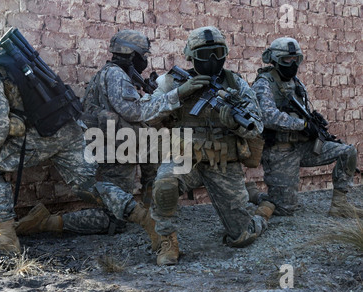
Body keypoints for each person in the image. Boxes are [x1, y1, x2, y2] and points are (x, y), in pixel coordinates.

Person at [0, 28, 162, 254]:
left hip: (42, 136)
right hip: (68, 128)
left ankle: (6, 237)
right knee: (89, 185)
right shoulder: (6, 65)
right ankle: (145, 219)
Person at [15, 29, 210, 250]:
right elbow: (134, 111)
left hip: (119, 146)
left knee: (158, 148)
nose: (144, 60)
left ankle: (152, 209)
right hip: (115, 151)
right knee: (115, 220)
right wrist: (176, 94)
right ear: (131, 55)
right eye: (142, 55)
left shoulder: (112, 74)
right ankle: (46, 222)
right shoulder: (116, 75)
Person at [149, 26, 269, 266]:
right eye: (205, 54)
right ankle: (167, 241)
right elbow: (144, 114)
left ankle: (263, 212)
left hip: (222, 161)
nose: (213, 60)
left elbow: (257, 126)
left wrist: (235, 125)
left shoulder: (236, 84)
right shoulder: (171, 81)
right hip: (184, 158)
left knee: (241, 237)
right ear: (191, 56)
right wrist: (178, 94)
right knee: (164, 185)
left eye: (218, 52)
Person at [249, 37, 362, 218]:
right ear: (276, 59)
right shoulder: (263, 83)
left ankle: (340, 205)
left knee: (347, 151)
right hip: (280, 152)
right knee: (285, 209)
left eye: (296, 60)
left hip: (303, 146)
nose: (293, 64)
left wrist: (312, 127)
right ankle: (254, 195)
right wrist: (302, 125)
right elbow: (267, 116)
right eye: (288, 59)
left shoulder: (296, 83)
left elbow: (304, 112)